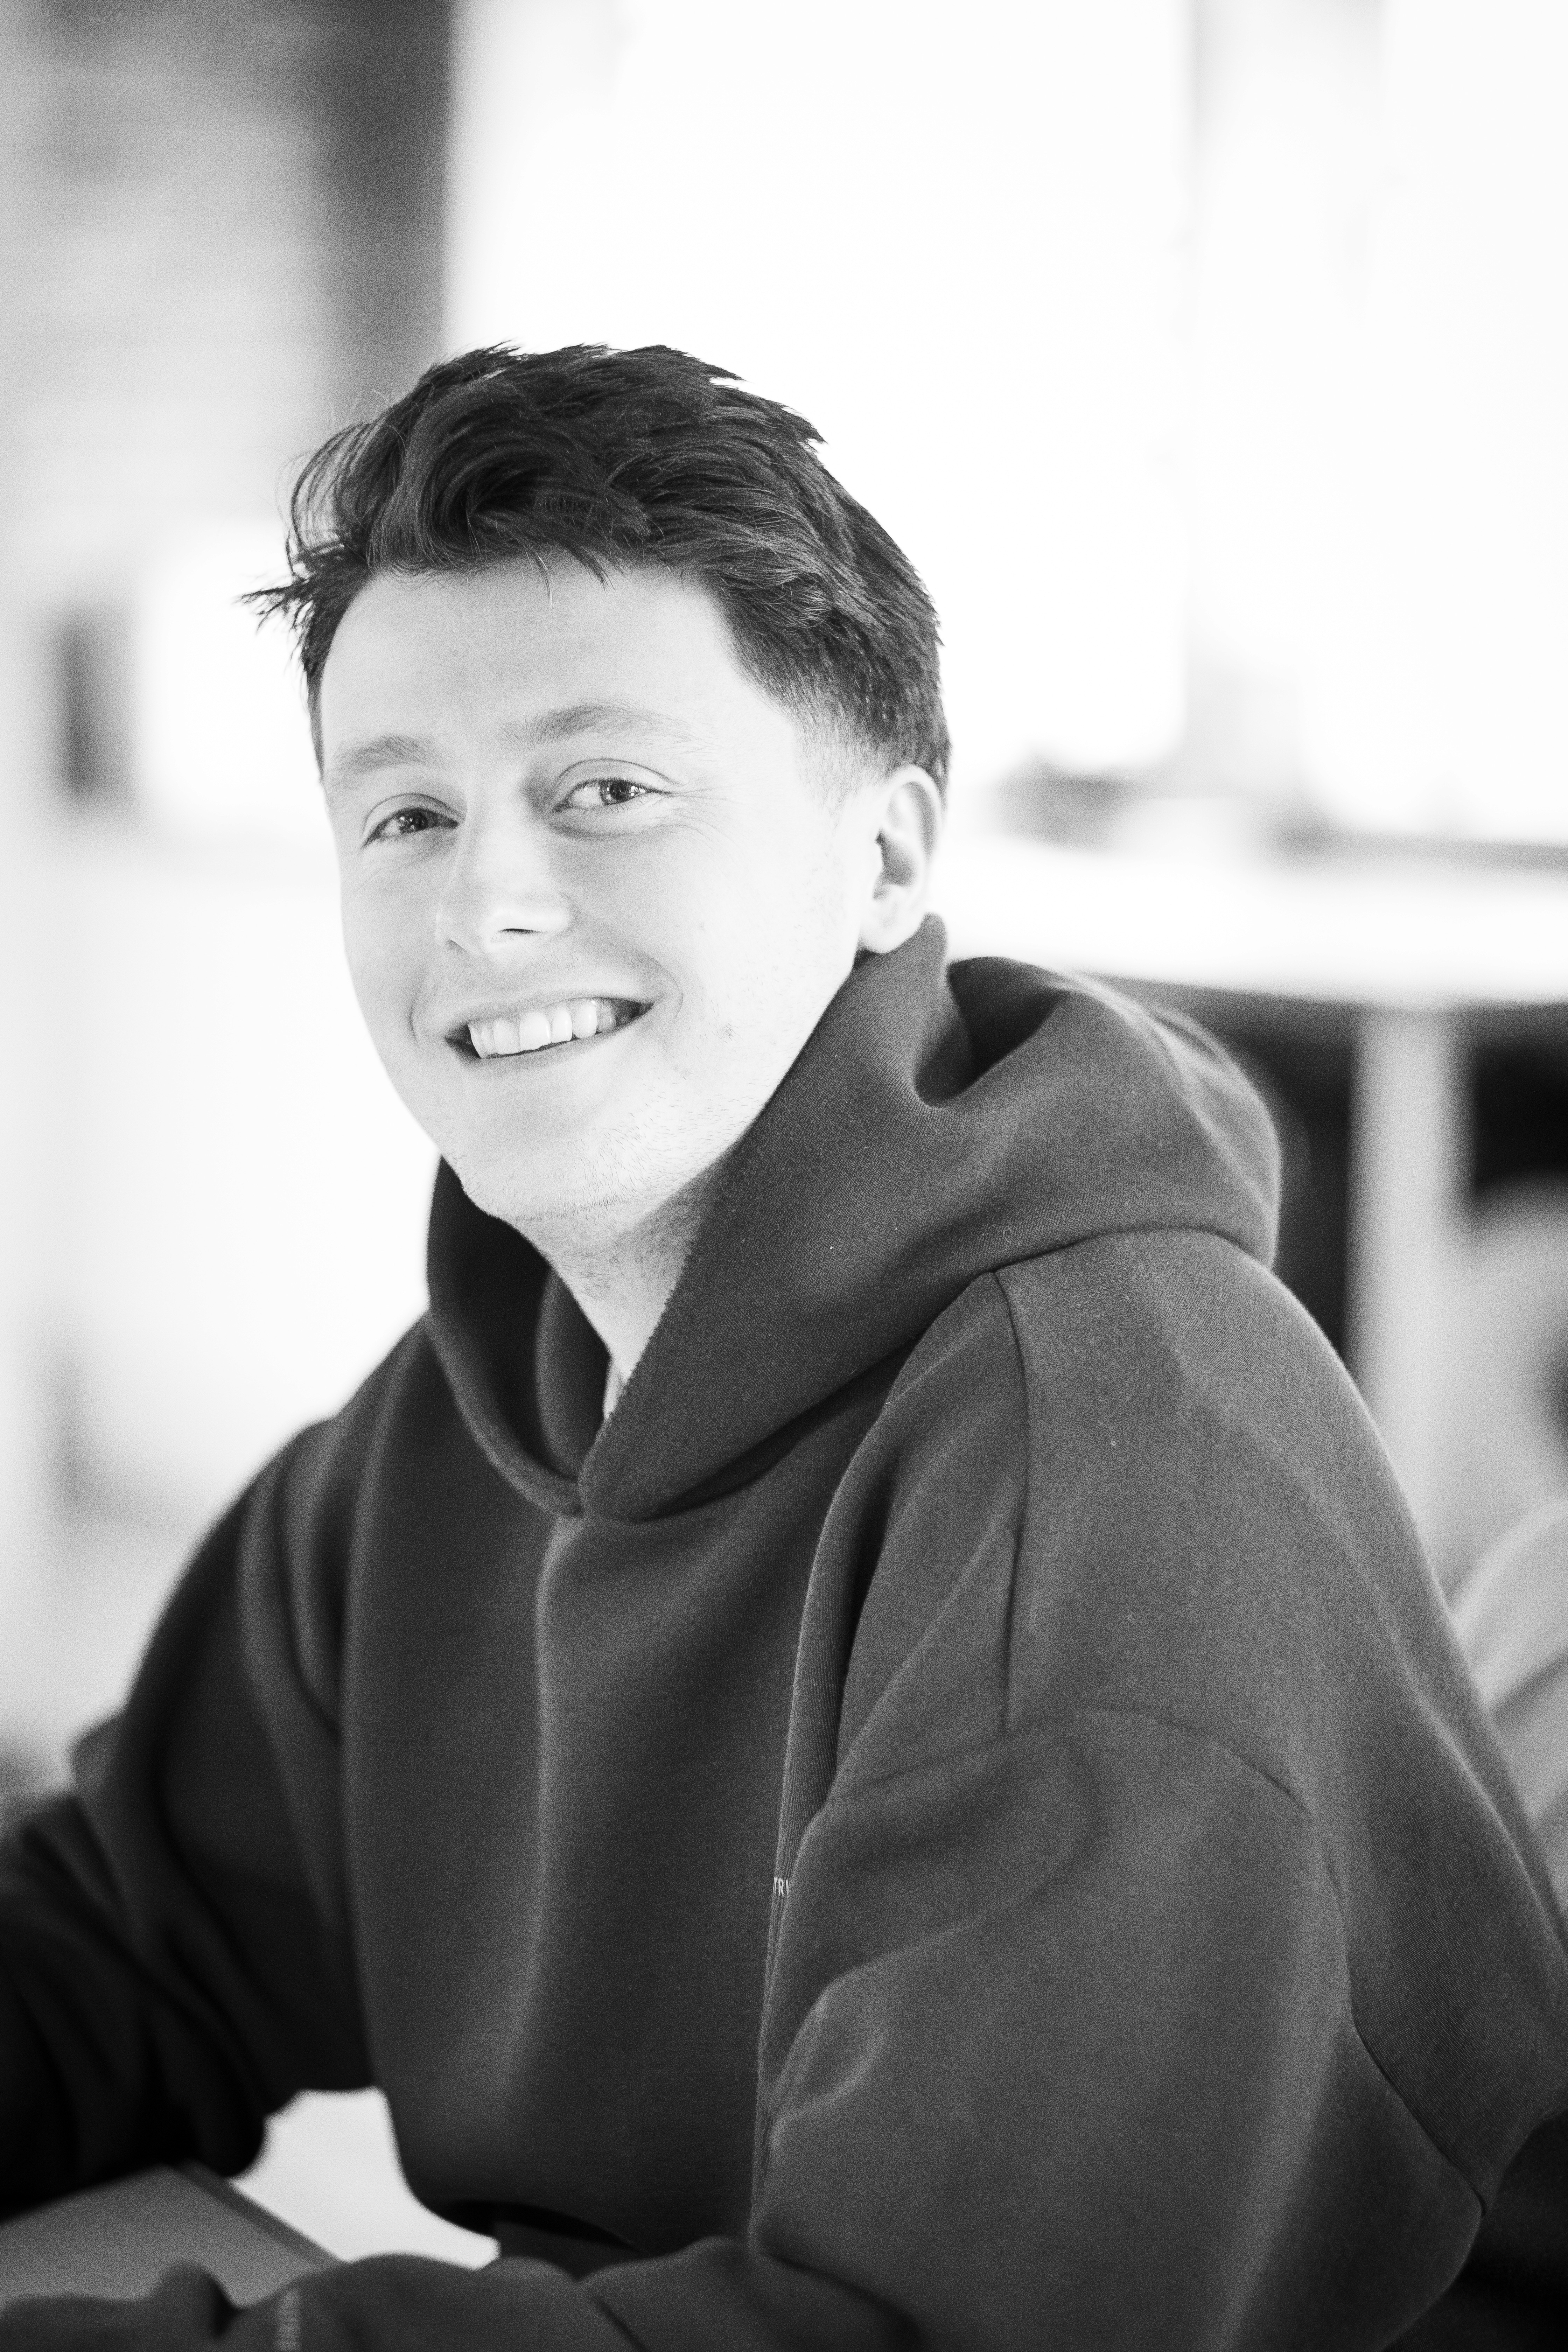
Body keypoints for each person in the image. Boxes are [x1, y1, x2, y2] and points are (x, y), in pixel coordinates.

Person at [1, 344, 1565, 2351]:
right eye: (402, 815)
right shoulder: (472, 1412)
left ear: (890, 858)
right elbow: (130, 1945)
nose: (487, 900)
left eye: (608, 790)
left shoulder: (1111, 1454)